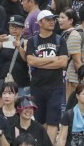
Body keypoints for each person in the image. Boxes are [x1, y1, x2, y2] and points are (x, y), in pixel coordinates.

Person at [27, 9, 70, 142]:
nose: (52, 22)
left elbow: (63, 62)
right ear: (40, 22)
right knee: (39, 120)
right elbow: (30, 61)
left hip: (55, 86)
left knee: (53, 121)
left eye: (53, 19)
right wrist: (53, 59)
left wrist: (39, 63)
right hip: (37, 86)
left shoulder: (59, 40)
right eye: (48, 19)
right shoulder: (32, 41)